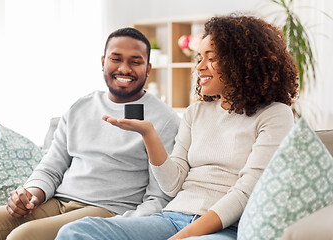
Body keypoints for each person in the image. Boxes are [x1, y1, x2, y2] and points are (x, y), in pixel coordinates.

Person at [55, 14, 299, 240]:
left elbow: (245, 193)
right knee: (77, 231)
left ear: (242, 62)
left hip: (224, 227)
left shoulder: (275, 115)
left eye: (211, 58)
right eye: (200, 58)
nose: (200, 67)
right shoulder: (196, 113)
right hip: (171, 217)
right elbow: (172, 184)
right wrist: (148, 133)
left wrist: (182, 237)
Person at [0, 27, 181, 240]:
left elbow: (159, 196)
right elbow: (52, 166)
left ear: (148, 68)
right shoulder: (80, 107)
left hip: (107, 211)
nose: (124, 68)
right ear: (103, 62)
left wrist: (124, 226)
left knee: (23, 236)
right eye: (115, 59)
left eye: (136, 62)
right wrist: (30, 194)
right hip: (57, 202)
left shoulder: (164, 120)